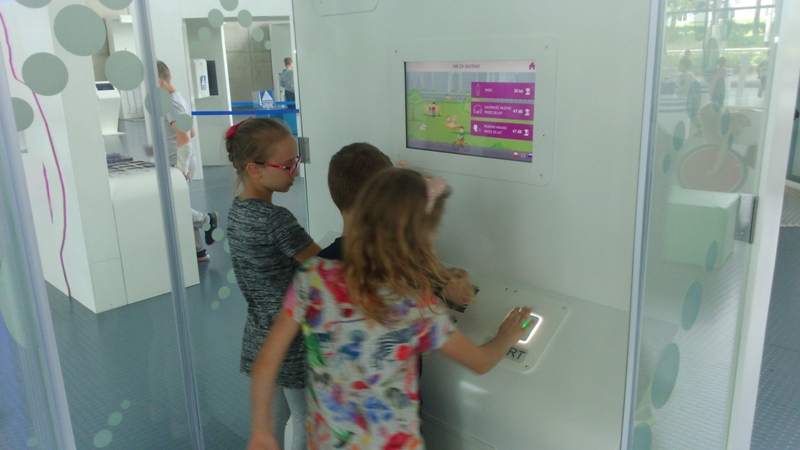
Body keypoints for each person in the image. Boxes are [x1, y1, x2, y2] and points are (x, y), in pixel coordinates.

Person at [247, 167, 532, 449]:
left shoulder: (314, 277)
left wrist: (262, 429)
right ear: (421, 237)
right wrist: (505, 337)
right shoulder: (415, 304)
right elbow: (480, 362)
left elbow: (266, 363)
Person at [226, 118, 321, 450]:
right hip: (291, 339)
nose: (295, 171)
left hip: (259, 333)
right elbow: (323, 266)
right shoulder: (275, 219)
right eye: (288, 165)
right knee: (307, 420)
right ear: (254, 169)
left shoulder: (237, 210)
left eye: (297, 161)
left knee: (275, 419)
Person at [156, 60, 218, 262]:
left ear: (157, 81)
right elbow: (192, 131)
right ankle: (198, 250)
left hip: (178, 162)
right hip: (179, 159)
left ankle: (206, 220)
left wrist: (181, 169)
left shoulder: (170, 103)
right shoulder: (178, 98)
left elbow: (184, 136)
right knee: (179, 201)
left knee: (172, 205)